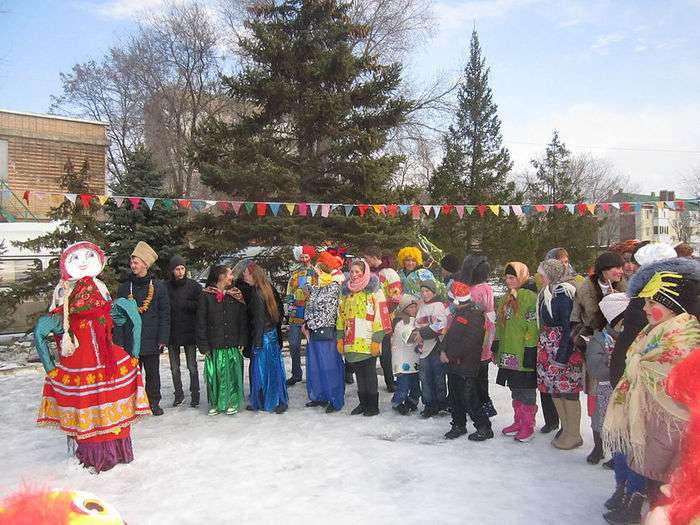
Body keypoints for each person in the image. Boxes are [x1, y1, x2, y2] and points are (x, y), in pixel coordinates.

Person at [34, 241, 150, 473]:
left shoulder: (100, 286)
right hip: (82, 357)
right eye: (76, 258)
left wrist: (134, 353)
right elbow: (45, 329)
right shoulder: (63, 290)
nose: (83, 262)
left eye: (88, 256)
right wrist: (51, 367)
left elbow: (127, 315)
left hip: (105, 357)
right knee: (89, 401)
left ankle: (113, 450)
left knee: (103, 400)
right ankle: (97, 452)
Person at [602, 257, 700, 525]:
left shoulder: (684, 340)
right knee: (653, 485)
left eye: (651, 303)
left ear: (672, 307)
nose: (644, 308)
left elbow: (676, 390)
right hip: (653, 426)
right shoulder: (654, 330)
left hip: (673, 431)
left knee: (665, 491)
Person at [571, 250, 626, 463]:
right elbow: (575, 320)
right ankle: (598, 446)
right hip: (596, 350)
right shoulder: (585, 288)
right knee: (596, 401)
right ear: (604, 269)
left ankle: (617, 450)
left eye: (621, 267)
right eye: (616, 268)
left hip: (620, 351)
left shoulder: (625, 286)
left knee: (617, 402)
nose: (621, 271)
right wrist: (585, 341)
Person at [115, 241, 170, 416]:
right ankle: (132, 403)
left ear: (145, 264)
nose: (132, 265)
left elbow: (165, 314)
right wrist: (120, 340)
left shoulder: (159, 287)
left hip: (152, 338)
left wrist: (163, 338)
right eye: (131, 262)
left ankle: (154, 402)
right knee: (131, 374)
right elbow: (118, 316)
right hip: (131, 340)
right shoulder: (125, 288)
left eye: (136, 262)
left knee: (153, 374)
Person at [586, 293, 630, 500]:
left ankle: (619, 457)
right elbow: (596, 369)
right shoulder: (598, 340)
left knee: (623, 428)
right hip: (605, 389)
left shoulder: (632, 337)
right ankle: (601, 449)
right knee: (603, 422)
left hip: (626, 391)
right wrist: (614, 367)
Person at [535, 258, 582, 449]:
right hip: (549, 348)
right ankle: (566, 429)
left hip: (563, 349)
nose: (539, 277)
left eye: (542, 274)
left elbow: (567, 327)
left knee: (568, 392)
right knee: (555, 390)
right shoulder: (548, 292)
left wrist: (562, 358)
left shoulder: (563, 294)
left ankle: (574, 433)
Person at [337, 259, 392, 416]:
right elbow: (340, 315)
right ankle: (363, 402)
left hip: (367, 339)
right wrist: (340, 336)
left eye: (357, 272)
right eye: (352, 272)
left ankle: (372, 406)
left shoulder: (374, 291)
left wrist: (377, 339)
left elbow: (381, 315)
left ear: (364, 272)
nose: (354, 275)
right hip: (351, 339)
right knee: (359, 372)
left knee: (369, 372)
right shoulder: (346, 292)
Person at [441, 280, 493, 441]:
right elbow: (450, 334)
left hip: (466, 364)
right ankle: (458, 424)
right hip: (454, 363)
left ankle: (484, 427)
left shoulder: (475, 315)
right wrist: (443, 349)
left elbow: (470, 342)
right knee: (455, 396)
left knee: (469, 397)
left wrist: (450, 355)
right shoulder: (460, 312)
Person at [493, 262, 540, 442]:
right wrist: (497, 345)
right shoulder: (507, 297)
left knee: (526, 388)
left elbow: (532, 325)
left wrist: (530, 348)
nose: (508, 281)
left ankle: (528, 424)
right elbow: (500, 323)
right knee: (514, 387)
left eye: (512, 277)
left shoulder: (528, 296)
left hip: (522, 350)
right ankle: (518, 420)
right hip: (509, 351)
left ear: (521, 277)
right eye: (507, 278)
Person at [197, 265, 248, 416]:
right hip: (215, 343)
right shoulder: (206, 295)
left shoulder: (236, 294)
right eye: (229, 274)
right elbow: (201, 322)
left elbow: (242, 320)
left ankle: (232, 401)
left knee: (232, 374)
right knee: (215, 375)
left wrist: (242, 339)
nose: (232, 277)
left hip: (232, 342)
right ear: (221, 277)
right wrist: (203, 345)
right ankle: (216, 402)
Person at [303, 251, 346, 413]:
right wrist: (307, 323)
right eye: (316, 271)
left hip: (326, 332)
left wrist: (312, 324)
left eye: (319, 271)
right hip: (314, 332)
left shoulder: (333, 287)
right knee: (316, 365)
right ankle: (319, 395)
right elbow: (310, 307)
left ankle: (334, 399)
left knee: (329, 366)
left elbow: (329, 312)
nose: (316, 274)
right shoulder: (317, 288)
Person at [244, 262, 289, 413]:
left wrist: (256, 344)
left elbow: (259, 321)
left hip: (263, 338)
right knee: (274, 369)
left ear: (253, 275)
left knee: (263, 371)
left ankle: (270, 401)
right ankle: (276, 400)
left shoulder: (257, 294)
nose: (244, 275)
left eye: (246, 273)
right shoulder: (266, 288)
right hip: (272, 336)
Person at [460, 254, 497, 418]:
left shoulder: (475, 290)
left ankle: (479, 403)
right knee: (482, 373)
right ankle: (485, 403)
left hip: (475, 335)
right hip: (485, 332)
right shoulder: (487, 288)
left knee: (474, 374)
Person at [364, 245, 403, 393]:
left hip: (385, 317)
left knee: (385, 351)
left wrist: (384, 313)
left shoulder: (389, 273)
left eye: (367, 258)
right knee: (372, 348)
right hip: (370, 318)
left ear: (374, 257)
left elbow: (395, 296)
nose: (366, 261)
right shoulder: (368, 272)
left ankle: (390, 381)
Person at [166, 255, 202, 408]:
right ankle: (178, 394)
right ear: (172, 271)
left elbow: (200, 306)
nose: (180, 272)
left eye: (182, 268)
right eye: (177, 269)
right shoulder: (166, 287)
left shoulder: (194, 286)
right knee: (174, 367)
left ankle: (195, 394)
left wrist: (186, 304)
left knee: (192, 365)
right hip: (173, 332)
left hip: (189, 331)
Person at [415, 279, 448, 418]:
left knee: (438, 376)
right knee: (425, 377)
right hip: (423, 348)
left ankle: (441, 402)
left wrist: (422, 332)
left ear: (433, 292)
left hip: (435, 346)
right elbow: (417, 323)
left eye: (427, 291)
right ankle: (429, 403)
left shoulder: (438, 305)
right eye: (422, 291)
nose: (425, 294)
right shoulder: (421, 306)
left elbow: (439, 326)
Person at [285, 245, 316, 386]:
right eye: (302, 257)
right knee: (293, 345)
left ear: (310, 257)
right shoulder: (295, 273)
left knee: (312, 346)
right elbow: (289, 291)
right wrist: (289, 307)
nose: (304, 259)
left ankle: (313, 374)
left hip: (310, 314)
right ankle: (296, 374)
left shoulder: (316, 272)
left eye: (306, 257)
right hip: (295, 314)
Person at [390, 294, 421, 415]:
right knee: (403, 385)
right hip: (402, 361)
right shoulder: (401, 322)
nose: (414, 310)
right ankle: (397, 402)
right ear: (404, 309)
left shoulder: (415, 320)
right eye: (410, 307)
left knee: (415, 385)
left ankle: (412, 400)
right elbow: (408, 338)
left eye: (415, 307)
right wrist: (423, 331)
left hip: (414, 360)